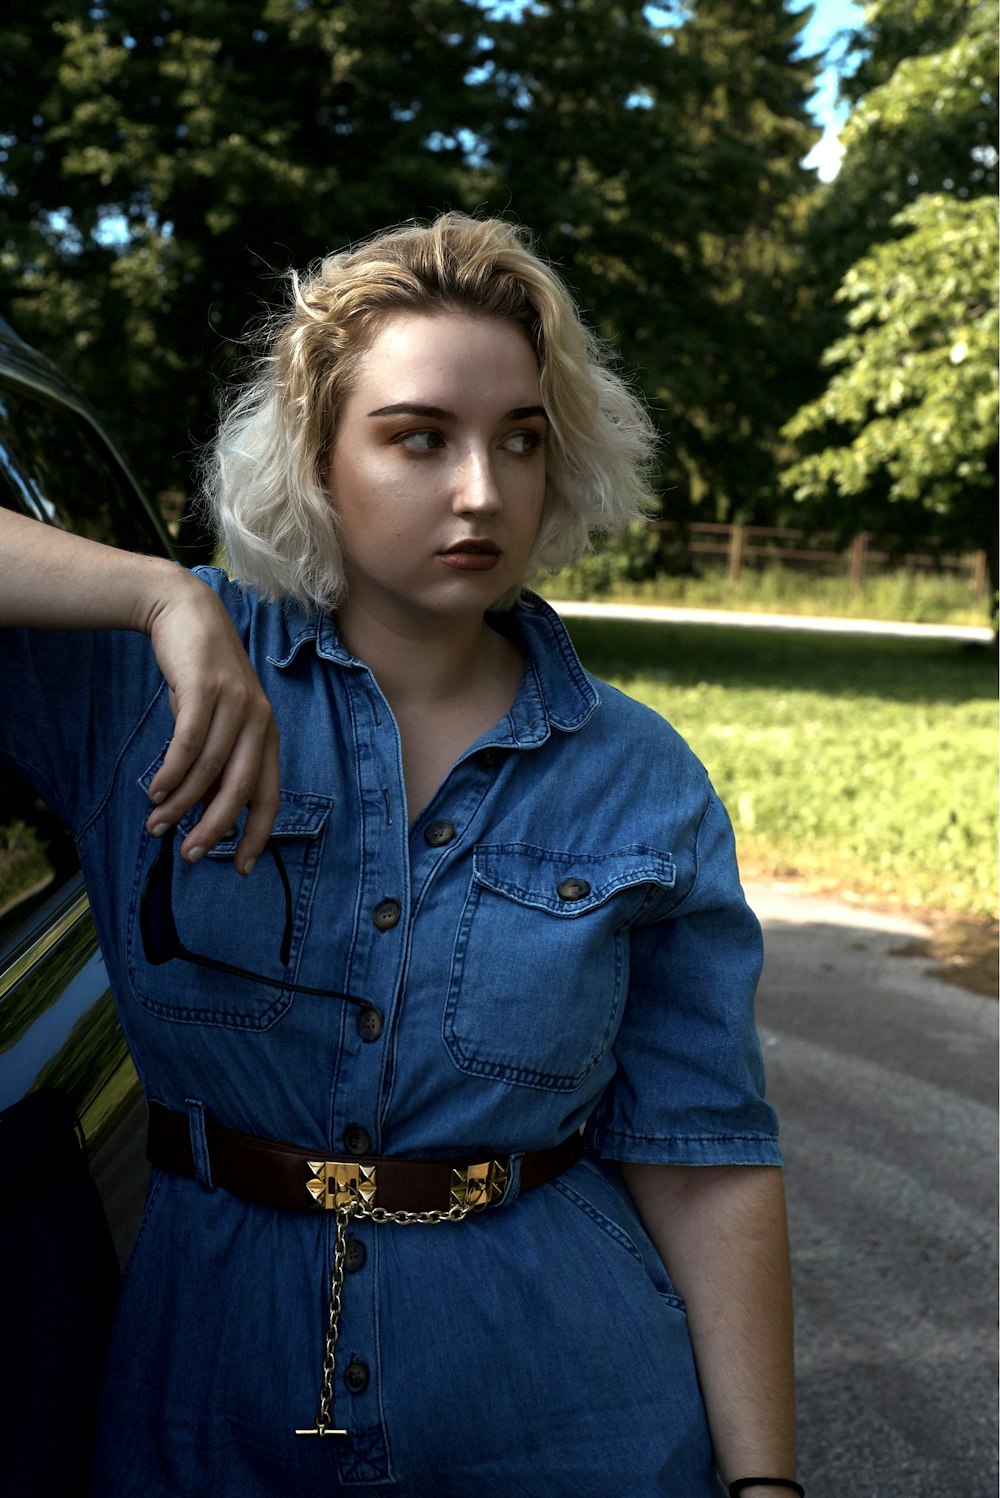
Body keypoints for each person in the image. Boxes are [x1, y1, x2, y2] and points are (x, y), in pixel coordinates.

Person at [0, 213, 799, 1497]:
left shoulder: (641, 779)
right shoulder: (137, 690)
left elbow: (704, 1162)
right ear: (319, 457)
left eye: (521, 439)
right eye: (419, 437)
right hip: (208, 1410)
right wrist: (165, 595)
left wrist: (766, 1484)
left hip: (567, 1417)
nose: (482, 490)